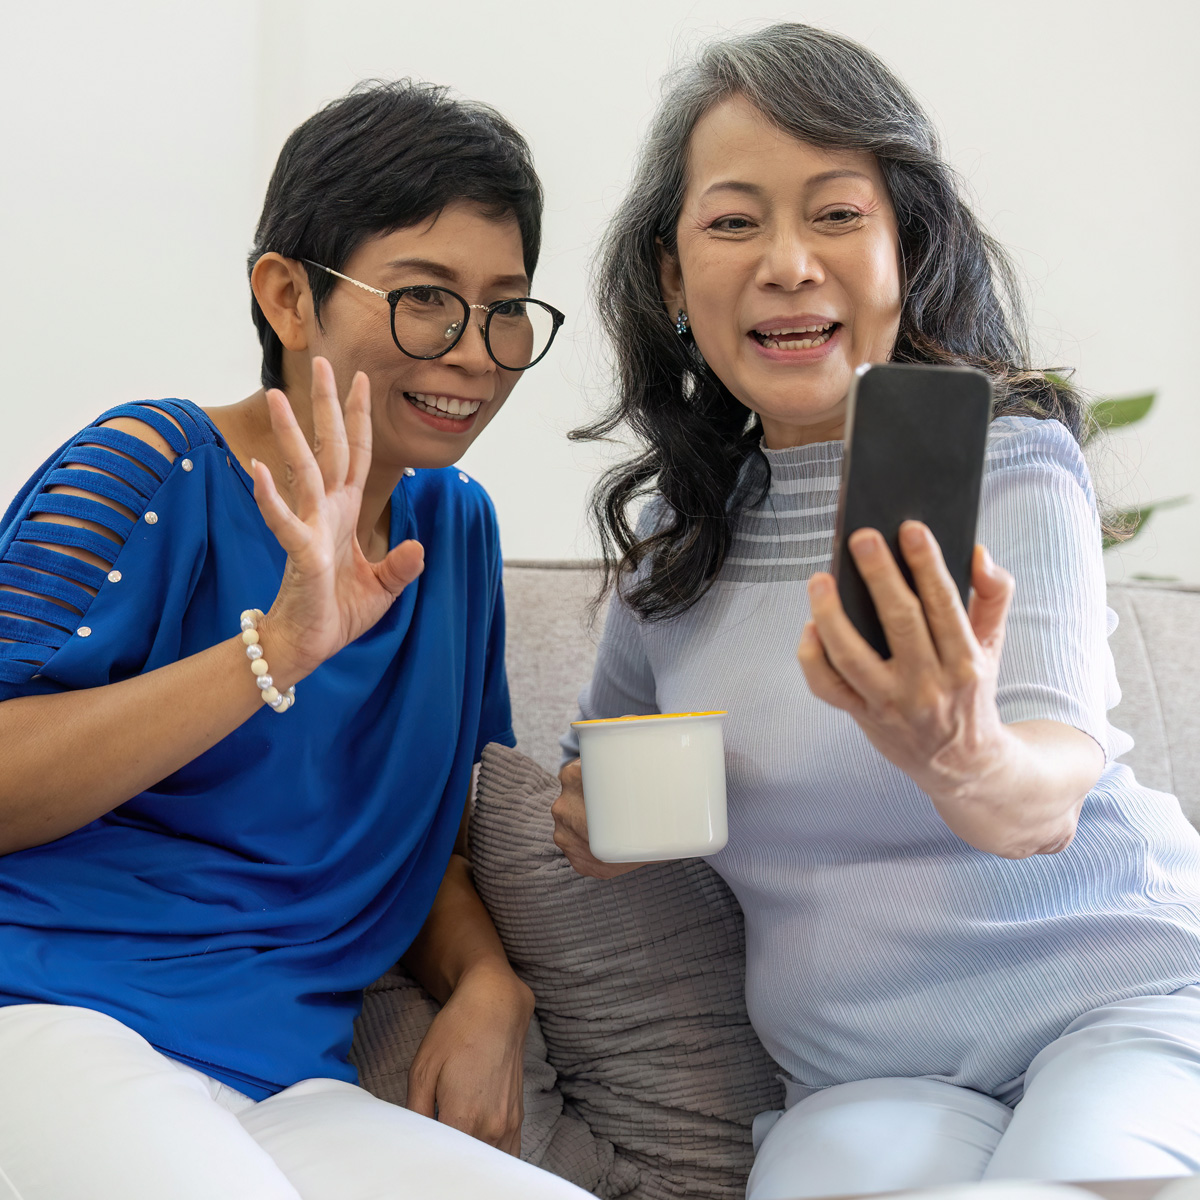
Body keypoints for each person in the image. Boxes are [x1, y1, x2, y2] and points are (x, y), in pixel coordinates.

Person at [552, 24, 1200, 1200]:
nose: (789, 263)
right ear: (669, 274)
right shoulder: (676, 549)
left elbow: (1048, 786)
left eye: (838, 214)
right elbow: (601, 792)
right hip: (867, 1083)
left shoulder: (1013, 462)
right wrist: (599, 822)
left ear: (908, 246)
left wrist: (964, 753)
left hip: (1128, 1001)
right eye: (735, 221)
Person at [0, 80, 588, 1199]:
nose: (472, 352)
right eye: (426, 299)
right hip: (46, 1013)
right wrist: (273, 648)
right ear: (287, 295)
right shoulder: (148, 466)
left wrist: (488, 984)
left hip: (280, 1073)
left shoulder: (453, 533)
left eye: (506, 308)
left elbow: (431, 835)